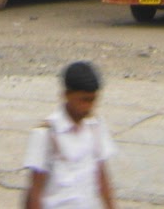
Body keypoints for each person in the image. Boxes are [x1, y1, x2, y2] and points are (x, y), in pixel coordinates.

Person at [23, 61, 117, 209]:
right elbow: (35, 190)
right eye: (83, 100)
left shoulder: (95, 126)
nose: (88, 106)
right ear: (66, 95)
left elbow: (101, 176)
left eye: (92, 100)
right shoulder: (47, 133)